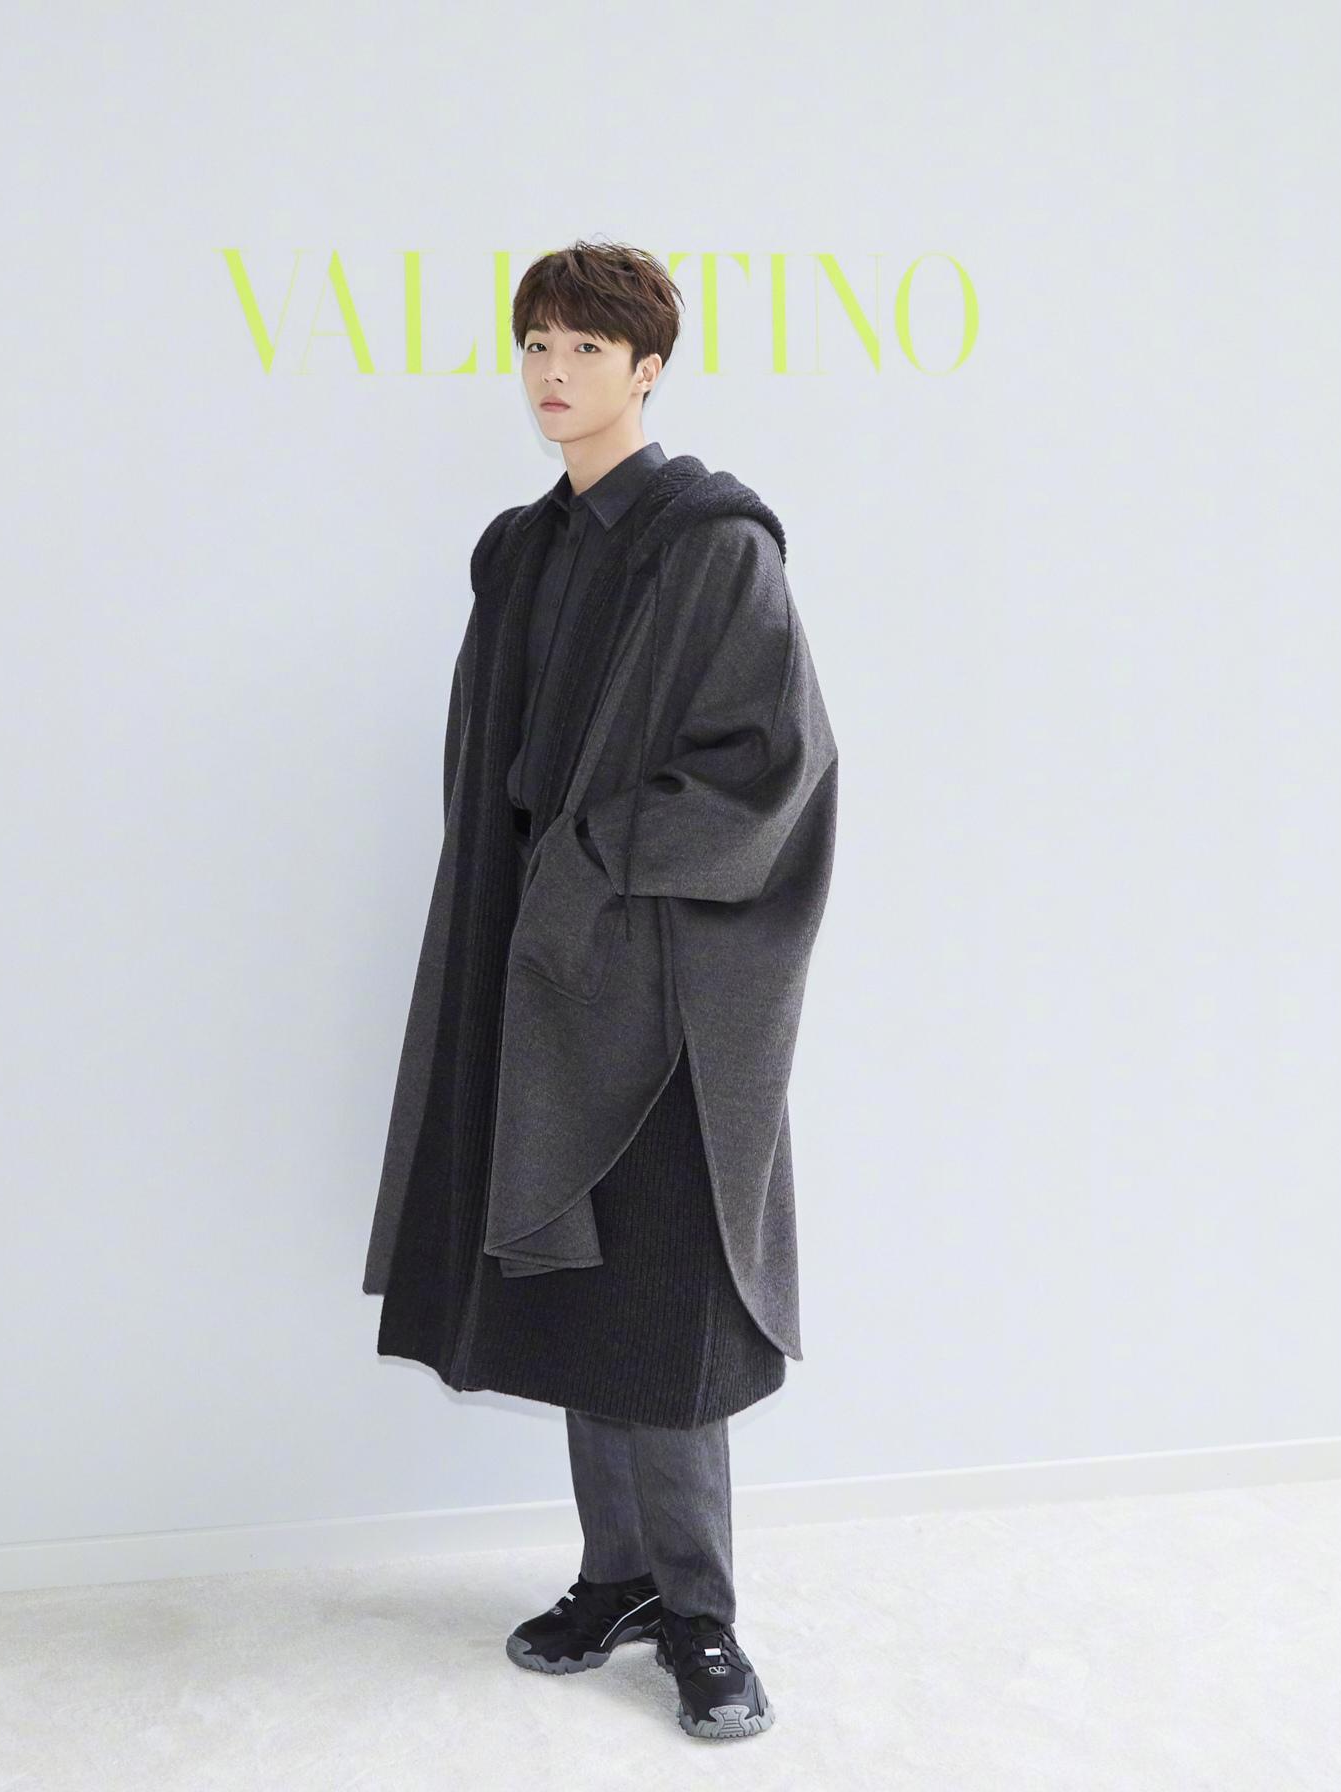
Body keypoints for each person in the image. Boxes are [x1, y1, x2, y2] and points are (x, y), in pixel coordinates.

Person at [360, 239, 840, 1742]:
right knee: (570, 1278)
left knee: (667, 1297)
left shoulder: (715, 547)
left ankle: (703, 1617)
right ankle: (617, 1575)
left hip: (666, 981)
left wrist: (593, 857)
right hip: (543, 972)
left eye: (585, 349)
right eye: (538, 347)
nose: (554, 375)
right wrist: (521, 907)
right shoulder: (520, 550)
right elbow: (485, 768)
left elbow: (771, 770)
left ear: (648, 369)